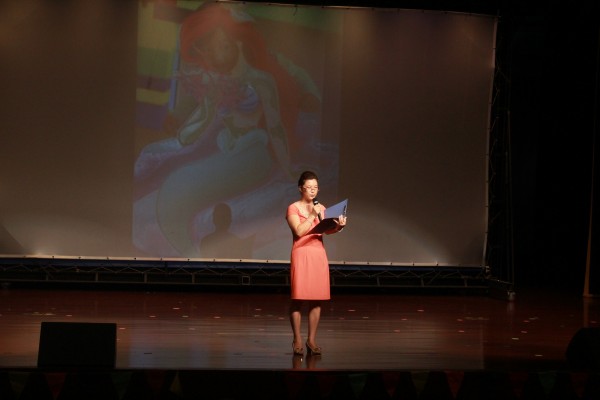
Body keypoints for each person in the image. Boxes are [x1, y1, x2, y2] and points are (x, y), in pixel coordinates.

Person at [286, 170, 347, 356]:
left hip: (318, 253)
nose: (313, 191)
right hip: (301, 253)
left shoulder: (322, 208)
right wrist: (312, 215)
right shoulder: (293, 208)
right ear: (300, 188)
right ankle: (297, 339)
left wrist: (338, 227)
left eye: (316, 187)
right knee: (298, 299)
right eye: (309, 187)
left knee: (316, 299)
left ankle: (311, 339)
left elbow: (325, 230)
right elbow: (299, 231)